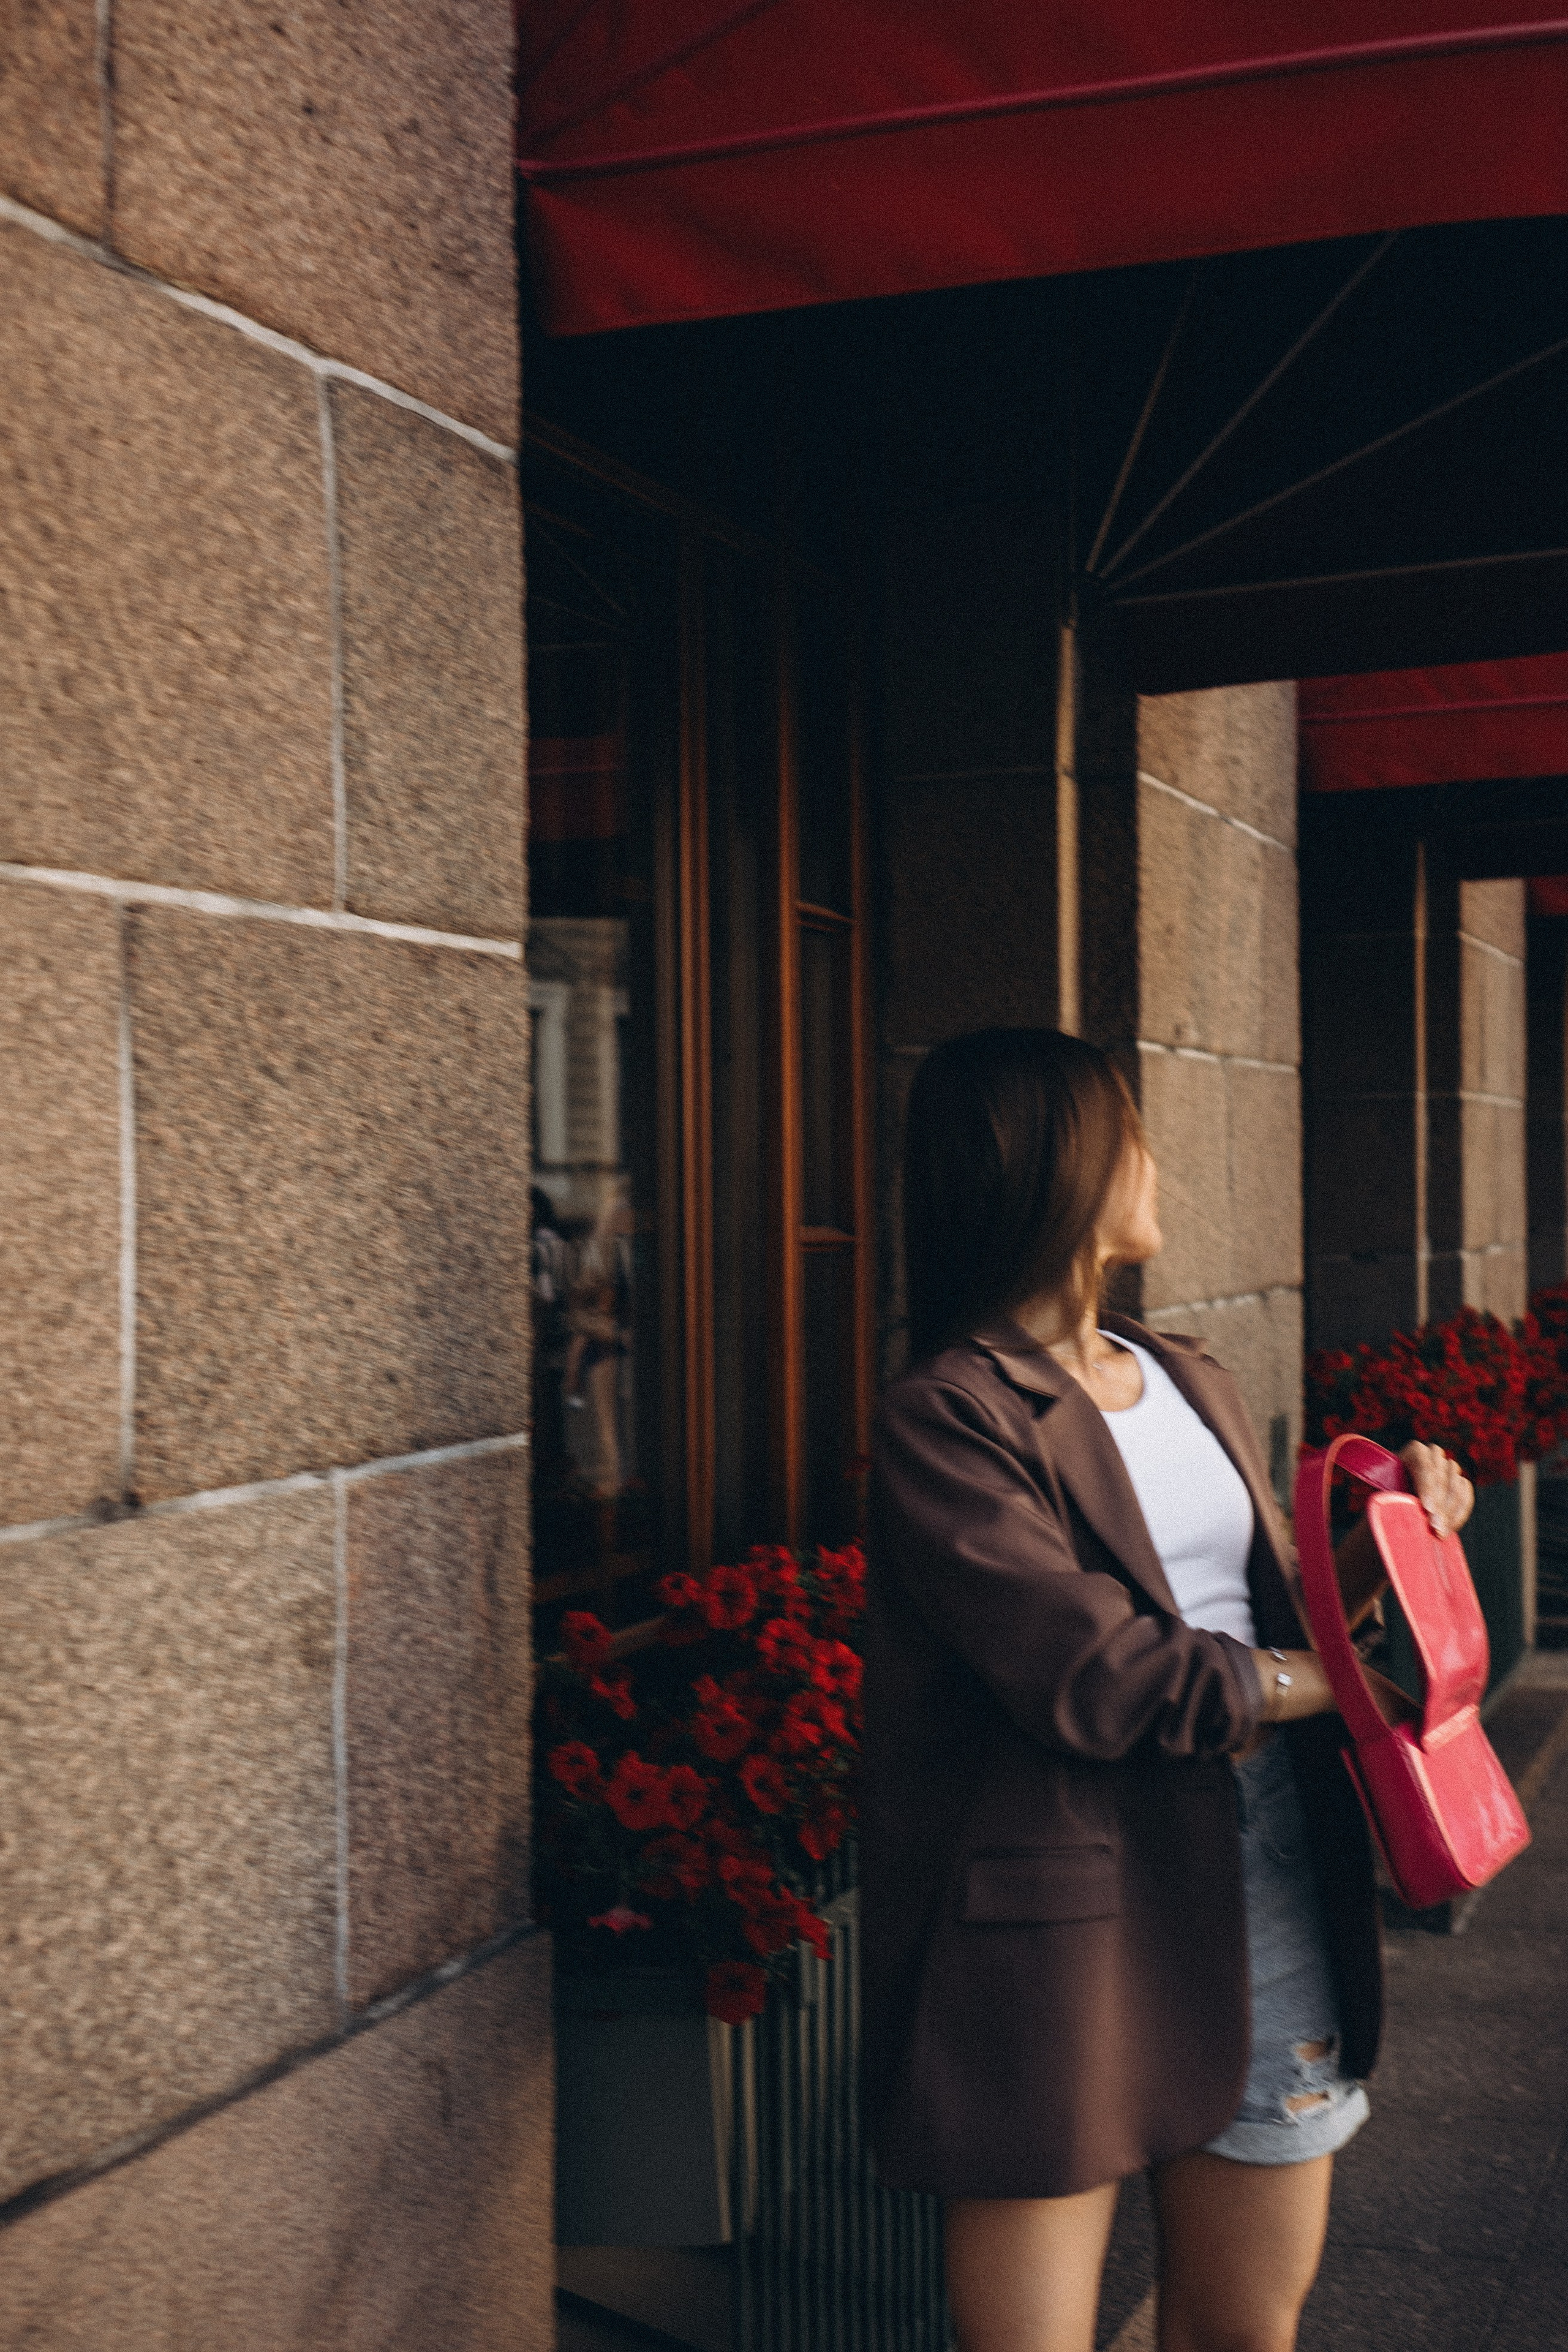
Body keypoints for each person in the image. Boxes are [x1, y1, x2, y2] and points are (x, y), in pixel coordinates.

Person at [862, 1029, 1473, 2352]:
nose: (1152, 1160)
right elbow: (1092, 1674)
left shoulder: (1183, 1369)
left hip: (1264, 1855)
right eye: (1127, 1130)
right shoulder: (947, 1415)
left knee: (1241, 2328)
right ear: (1056, 1164)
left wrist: (1386, 1559)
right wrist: (1346, 1687)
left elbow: (1252, 1614)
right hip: (1059, 1895)